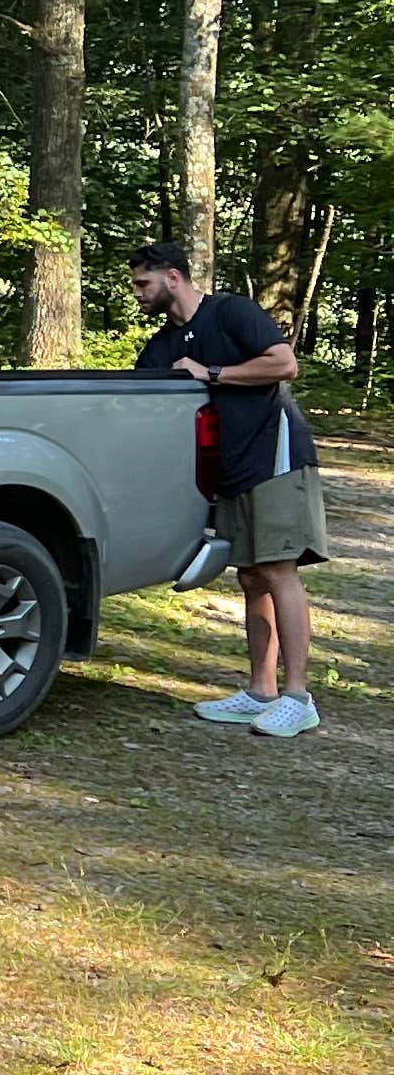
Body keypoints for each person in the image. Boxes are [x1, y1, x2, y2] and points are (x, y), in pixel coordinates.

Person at [128, 244, 325, 738]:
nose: (137, 294)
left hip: (274, 454)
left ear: (173, 277)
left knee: (279, 569)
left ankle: (298, 698)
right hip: (228, 468)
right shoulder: (163, 345)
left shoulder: (232, 311)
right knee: (252, 577)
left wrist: (212, 373)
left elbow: (283, 364)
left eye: (142, 284)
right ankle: (261, 691)